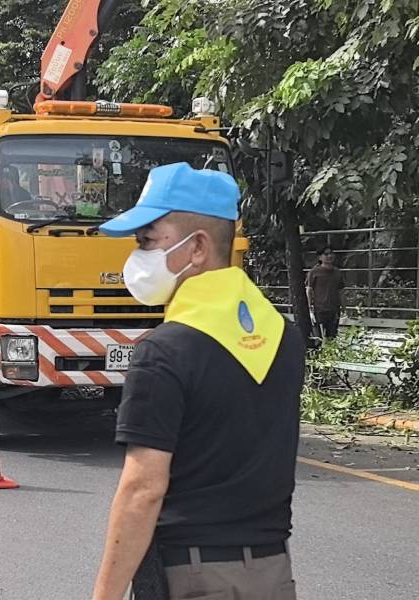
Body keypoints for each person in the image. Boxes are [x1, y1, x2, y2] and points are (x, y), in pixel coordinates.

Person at [92, 162, 305, 600]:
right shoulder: (284, 336)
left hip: (195, 579)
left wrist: (105, 595)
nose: (137, 255)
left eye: (148, 240)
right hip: (273, 574)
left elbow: (142, 491)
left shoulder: (164, 352)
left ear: (198, 247)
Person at [306, 246, 345, 339]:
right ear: (320, 257)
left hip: (334, 309)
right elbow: (309, 289)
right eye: (326, 254)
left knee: (332, 336)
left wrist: (344, 306)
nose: (329, 256)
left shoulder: (337, 272)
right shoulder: (314, 272)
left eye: (331, 253)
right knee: (319, 337)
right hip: (319, 309)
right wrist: (309, 306)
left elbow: (341, 290)